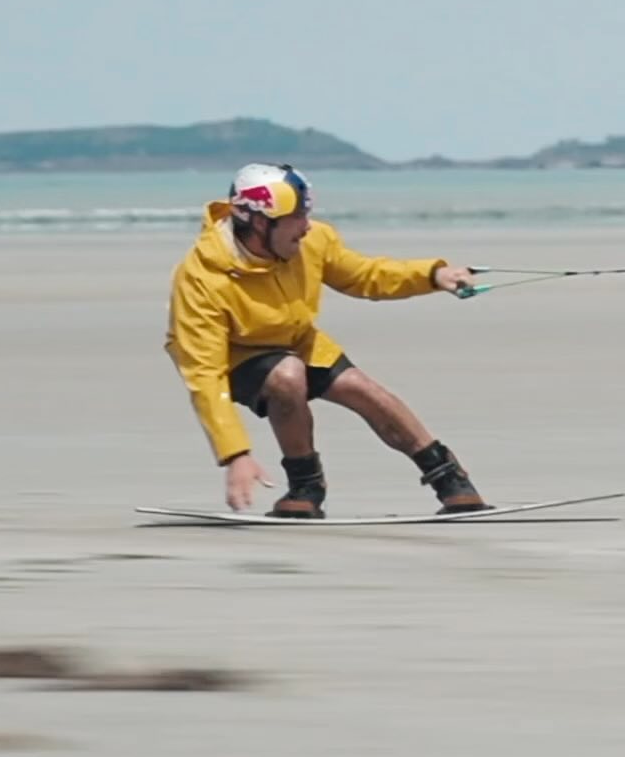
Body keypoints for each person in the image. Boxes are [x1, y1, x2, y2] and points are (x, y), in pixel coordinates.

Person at [164, 162, 489, 518]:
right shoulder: (200, 277)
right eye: (297, 218)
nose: (306, 227)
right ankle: (306, 487)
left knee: (361, 388)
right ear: (260, 222)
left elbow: (365, 276)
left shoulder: (310, 240)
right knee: (287, 376)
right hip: (232, 358)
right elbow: (205, 374)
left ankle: (448, 477)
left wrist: (433, 274)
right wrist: (235, 454)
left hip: (296, 339)